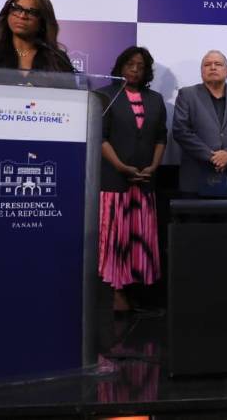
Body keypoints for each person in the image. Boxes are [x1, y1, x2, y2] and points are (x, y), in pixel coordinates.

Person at [96, 46, 166, 314]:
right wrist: (121, 166)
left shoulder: (155, 99)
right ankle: (115, 292)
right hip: (114, 181)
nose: (135, 70)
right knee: (116, 240)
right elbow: (100, 137)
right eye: (130, 64)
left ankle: (135, 292)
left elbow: (161, 137)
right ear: (120, 66)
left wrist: (154, 167)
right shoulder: (105, 95)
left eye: (140, 66)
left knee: (139, 241)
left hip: (144, 183)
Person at [171, 50, 227, 196]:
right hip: (196, 177)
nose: (213, 67)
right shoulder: (187, 95)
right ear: (201, 71)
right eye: (207, 64)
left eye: (218, 64)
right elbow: (181, 131)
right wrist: (214, 157)